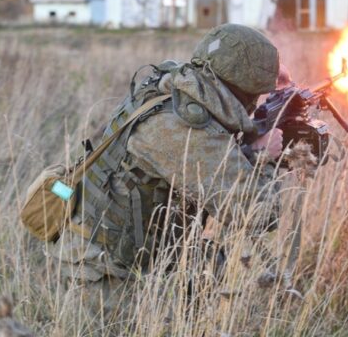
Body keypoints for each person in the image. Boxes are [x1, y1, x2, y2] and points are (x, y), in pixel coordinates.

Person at [46, 24, 290, 321]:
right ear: (242, 90)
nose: (257, 104)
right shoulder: (186, 129)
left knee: (207, 262)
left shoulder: (170, 88)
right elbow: (259, 214)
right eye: (257, 95)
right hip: (103, 272)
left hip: (97, 244)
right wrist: (265, 158)